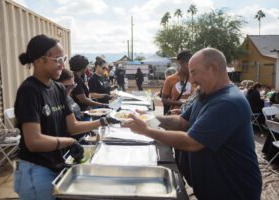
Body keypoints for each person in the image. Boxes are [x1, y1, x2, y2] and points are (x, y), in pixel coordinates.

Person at [124, 48, 262, 200]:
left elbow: (192, 143)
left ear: (214, 68)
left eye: (194, 72)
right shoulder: (205, 93)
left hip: (234, 191)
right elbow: (182, 122)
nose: (192, 80)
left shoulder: (228, 102)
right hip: (213, 189)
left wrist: (147, 131)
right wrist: (150, 119)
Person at [14, 34, 119, 200]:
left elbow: (73, 126)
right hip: (36, 170)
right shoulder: (29, 91)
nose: (63, 65)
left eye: (63, 58)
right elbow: (34, 142)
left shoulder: (59, 88)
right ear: (39, 60)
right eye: (58, 59)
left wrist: (104, 120)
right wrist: (69, 141)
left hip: (57, 164)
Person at [162, 50, 194, 115]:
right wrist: (181, 103)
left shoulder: (195, 78)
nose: (191, 68)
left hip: (192, 115)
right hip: (176, 115)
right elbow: (164, 99)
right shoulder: (170, 79)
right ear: (180, 63)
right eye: (188, 65)